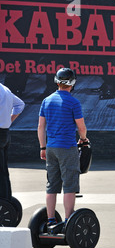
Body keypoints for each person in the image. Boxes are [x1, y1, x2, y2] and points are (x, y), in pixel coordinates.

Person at [37, 68, 89, 231]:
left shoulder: (47, 100)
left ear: (56, 81)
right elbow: (81, 127)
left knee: (51, 185)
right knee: (69, 185)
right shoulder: (73, 102)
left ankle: (51, 220)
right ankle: (68, 221)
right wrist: (83, 139)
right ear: (72, 83)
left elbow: (40, 127)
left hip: (50, 147)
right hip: (67, 147)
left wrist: (43, 147)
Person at [0, 83, 25, 201]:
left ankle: (4, 203)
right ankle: (6, 200)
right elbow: (20, 104)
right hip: (4, 133)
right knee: (3, 171)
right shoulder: (5, 89)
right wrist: (8, 121)